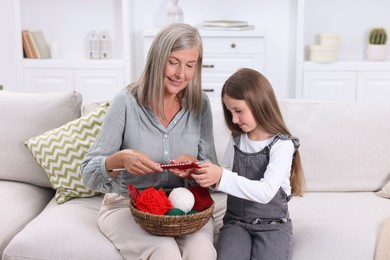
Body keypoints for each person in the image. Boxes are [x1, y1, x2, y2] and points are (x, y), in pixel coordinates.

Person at [80, 23, 218, 260]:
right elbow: (88, 173)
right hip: (127, 206)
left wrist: (196, 167)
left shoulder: (200, 104)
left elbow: (212, 173)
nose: (181, 74)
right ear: (157, 59)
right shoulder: (126, 102)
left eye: (190, 65)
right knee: (165, 253)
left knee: (202, 253)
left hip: (183, 207)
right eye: (173, 62)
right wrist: (120, 159)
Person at [190, 68, 305, 260]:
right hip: (236, 223)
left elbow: (266, 192)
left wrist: (221, 176)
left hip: (273, 226)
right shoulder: (237, 140)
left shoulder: (282, 145)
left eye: (239, 111)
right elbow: (224, 177)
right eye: (230, 111)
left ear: (259, 102)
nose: (234, 119)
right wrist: (202, 172)